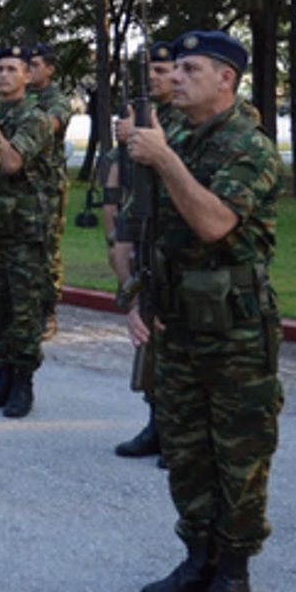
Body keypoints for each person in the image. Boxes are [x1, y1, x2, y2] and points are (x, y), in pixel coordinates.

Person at [124, 30, 283, 592]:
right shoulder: (180, 133)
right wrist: (139, 293)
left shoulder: (250, 145)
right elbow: (148, 225)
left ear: (227, 79)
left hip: (235, 330)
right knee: (186, 450)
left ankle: (234, 570)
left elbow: (215, 223)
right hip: (177, 319)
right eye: (174, 66)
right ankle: (197, 556)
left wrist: (165, 160)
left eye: (191, 67)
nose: (176, 75)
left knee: (238, 454)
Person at [104, 39, 184, 460]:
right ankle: (156, 421)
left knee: (174, 332)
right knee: (147, 323)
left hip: (174, 228)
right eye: (149, 70)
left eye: (163, 69)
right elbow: (121, 173)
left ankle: (177, 431)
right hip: (140, 219)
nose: (155, 77)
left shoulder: (180, 116)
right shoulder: (138, 114)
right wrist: (113, 224)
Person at [0, 45, 55, 419]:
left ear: (27, 76)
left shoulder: (36, 118)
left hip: (25, 232)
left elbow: (12, 162)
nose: (4, 76)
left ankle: (23, 383)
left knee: (24, 310)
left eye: (12, 69)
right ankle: (2, 375)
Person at [25, 42, 72, 340]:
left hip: (47, 186)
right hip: (20, 186)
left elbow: (51, 124)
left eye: (35, 65)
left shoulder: (56, 100)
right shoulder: (21, 98)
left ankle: (47, 311)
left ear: (50, 69)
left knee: (47, 248)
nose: (29, 71)